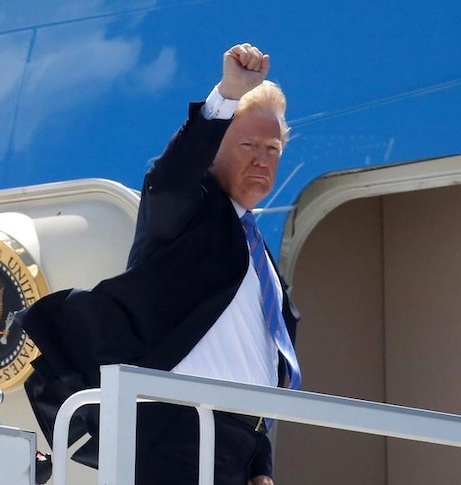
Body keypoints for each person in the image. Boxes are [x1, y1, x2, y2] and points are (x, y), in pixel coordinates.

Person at [19, 43, 301, 485]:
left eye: (272, 148)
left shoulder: (262, 262)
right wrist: (226, 95)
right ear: (214, 149)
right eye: (248, 144)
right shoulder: (191, 212)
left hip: (235, 448)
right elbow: (171, 179)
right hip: (175, 433)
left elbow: (259, 360)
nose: (262, 159)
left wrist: (259, 463)